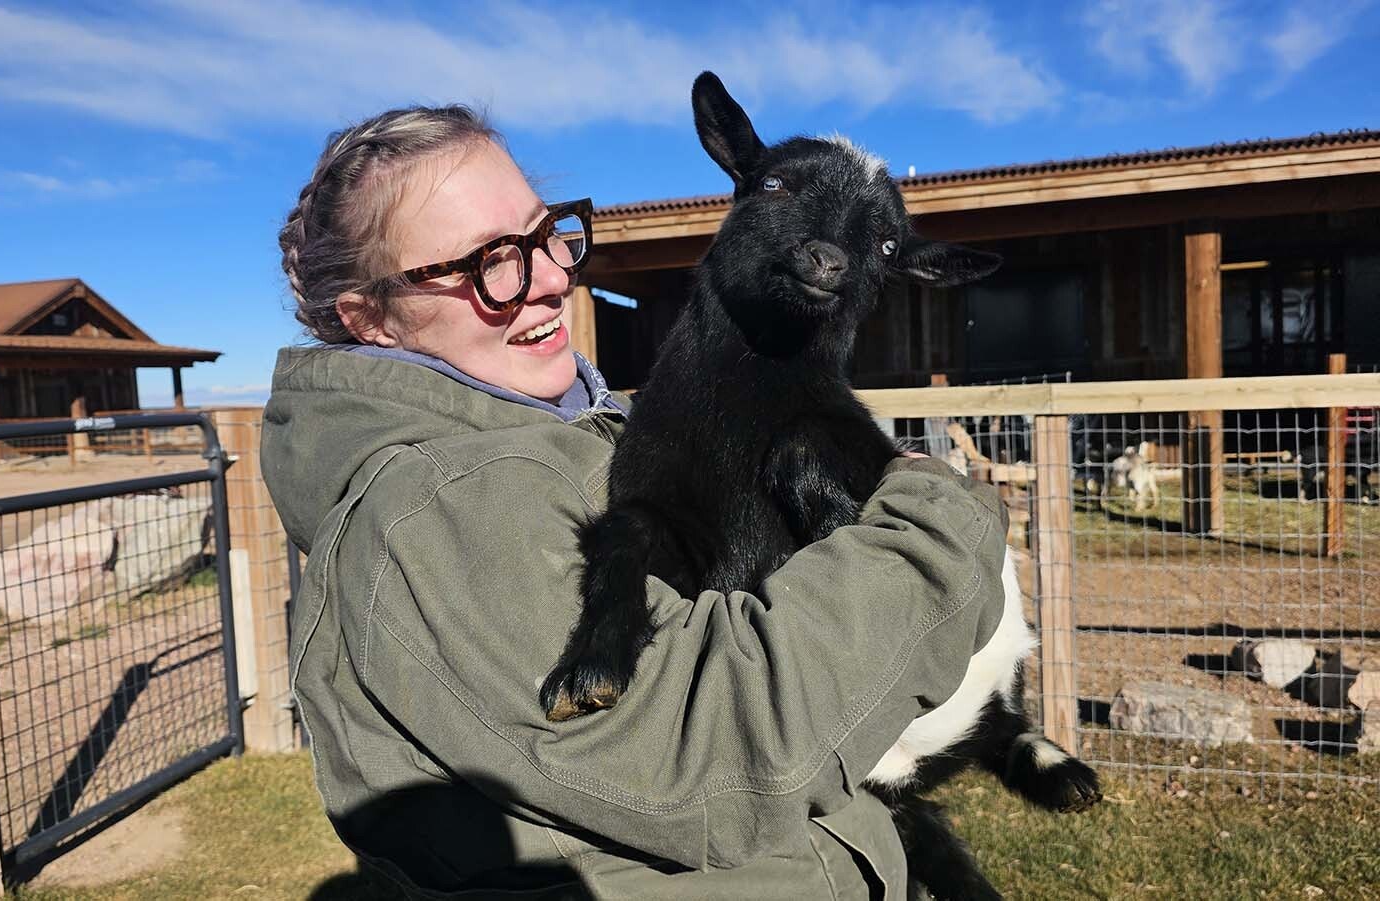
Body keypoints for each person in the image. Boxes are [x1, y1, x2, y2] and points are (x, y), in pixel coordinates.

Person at [262, 104, 1011, 899]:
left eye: (546, 233)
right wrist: (941, 519)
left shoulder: (599, 427)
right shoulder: (437, 505)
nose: (551, 278)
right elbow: (725, 746)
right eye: (489, 264)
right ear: (370, 318)